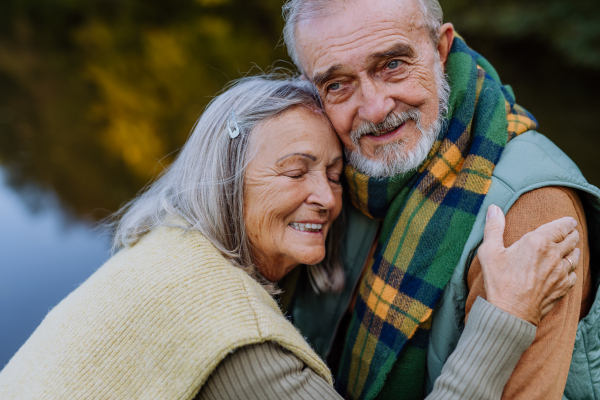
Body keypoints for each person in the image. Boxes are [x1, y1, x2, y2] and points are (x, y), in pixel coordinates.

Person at [0, 77, 580, 400]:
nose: (328, 200)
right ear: (227, 176)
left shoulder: (166, 248)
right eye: (295, 170)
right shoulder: (240, 342)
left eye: (333, 175)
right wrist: (503, 316)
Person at [280, 0, 600, 399]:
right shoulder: (337, 177)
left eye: (393, 64)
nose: (376, 109)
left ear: (441, 48)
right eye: (337, 85)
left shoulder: (530, 209)